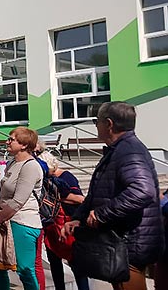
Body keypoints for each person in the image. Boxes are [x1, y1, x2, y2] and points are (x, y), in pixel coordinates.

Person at [62, 101, 163, 290]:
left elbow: (143, 190)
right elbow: (100, 191)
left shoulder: (129, 150)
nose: (96, 125)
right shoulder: (119, 150)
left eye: (96, 121)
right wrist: (79, 219)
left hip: (129, 244)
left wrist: (101, 214)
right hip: (123, 241)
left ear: (109, 124)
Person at [0, 127, 44, 290]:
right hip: (6, 219)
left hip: (22, 221)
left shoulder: (30, 166)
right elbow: (3, 192)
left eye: (11, 139)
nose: (7, 141)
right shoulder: (12, 163)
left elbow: (18, 201)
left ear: (23, 145)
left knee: (25, 269)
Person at [36, 146, 89, 290]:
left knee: (75, 263)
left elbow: (80, 199)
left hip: (67, 222)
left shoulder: (66, 177)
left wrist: (57, 197)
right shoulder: (46, 179)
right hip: (52, 225)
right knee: (55, 263)